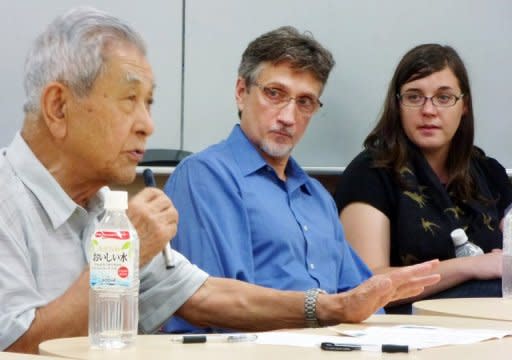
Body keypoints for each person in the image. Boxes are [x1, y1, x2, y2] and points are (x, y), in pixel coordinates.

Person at [0, 8, 440, 354]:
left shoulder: (104, 206)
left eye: (149, 103)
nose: (148, 126)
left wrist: (333, 306)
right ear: (59, 107)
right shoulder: (9, 197)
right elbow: (16, 344)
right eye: (129, 101)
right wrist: (124, 256)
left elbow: (203, 294)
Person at [161, 27, 438, 333]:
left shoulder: (317, 196)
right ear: (241, 92)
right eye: (275, 94)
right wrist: (326, 310)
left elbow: (361, 300)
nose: (288, 117)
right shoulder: (205, 176)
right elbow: (217, 311)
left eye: (305, 102)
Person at [335, 44, 512, 313]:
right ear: (398, 105)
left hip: (490, 322)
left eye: (444, 97)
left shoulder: (488, 171)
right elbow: (366, 285)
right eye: (414, 97)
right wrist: (474, 266)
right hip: (407, 326)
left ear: (464, 105)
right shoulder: (369, 173)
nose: (429, 110)